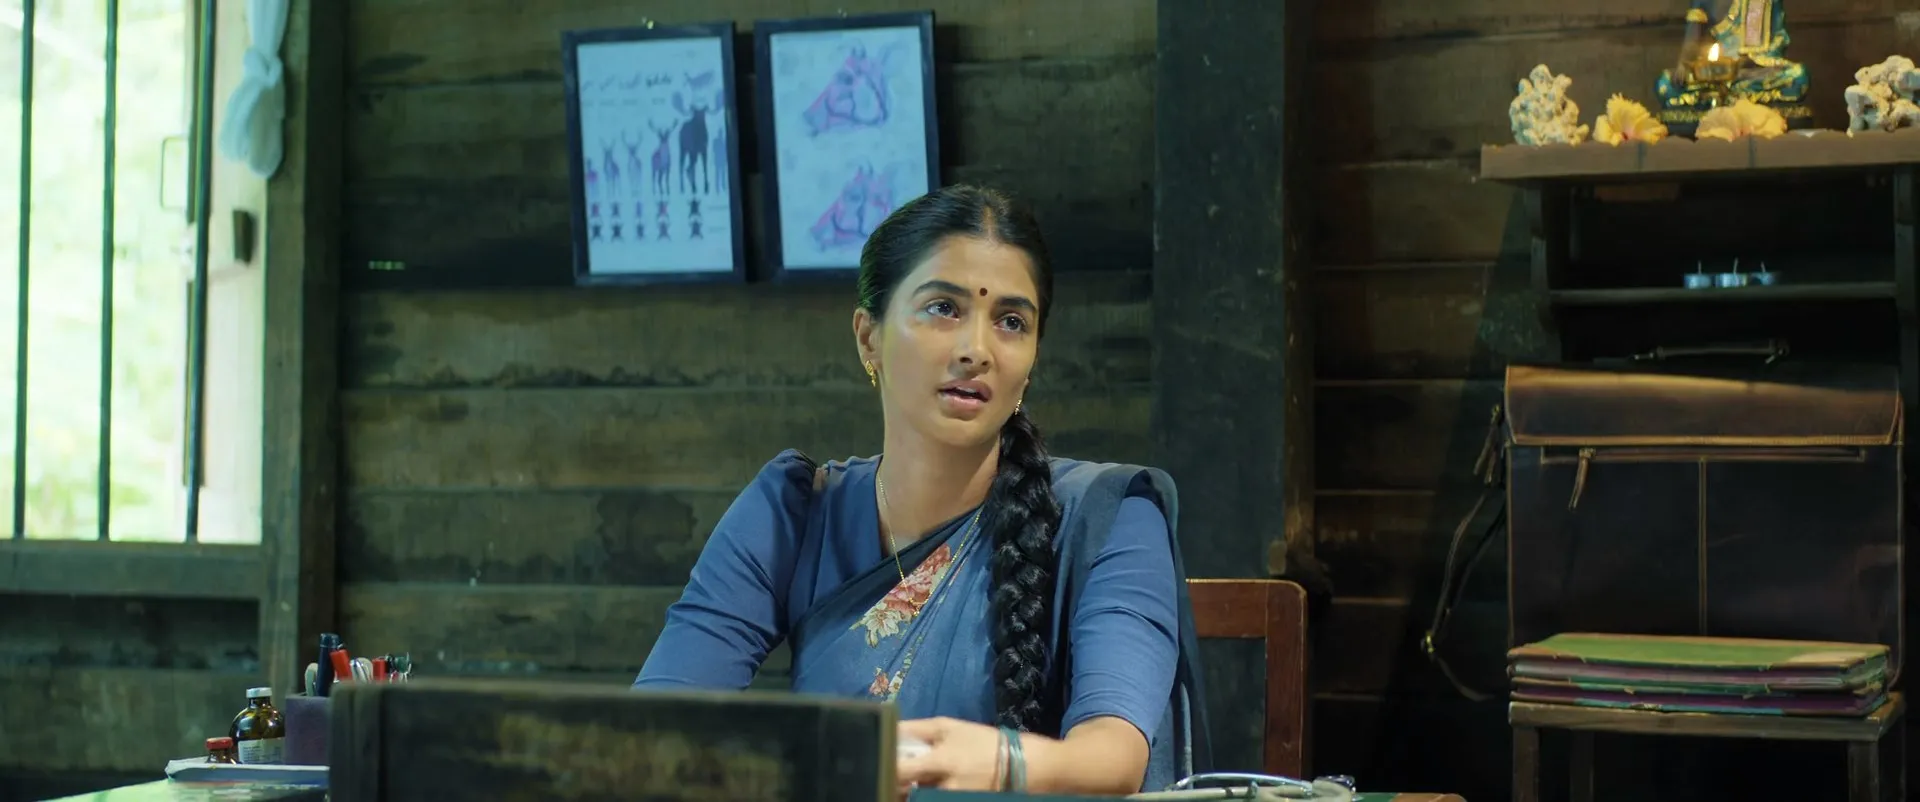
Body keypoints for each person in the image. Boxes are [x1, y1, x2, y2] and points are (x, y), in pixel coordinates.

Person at [633, 185, 1209, 795]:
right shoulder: (793, 512)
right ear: (868, 337)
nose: (976, 350)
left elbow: (1113, 758)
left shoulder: (1110, 517)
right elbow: (658, 728)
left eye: (1011, 322)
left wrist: (995, 762)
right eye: (943, 308)